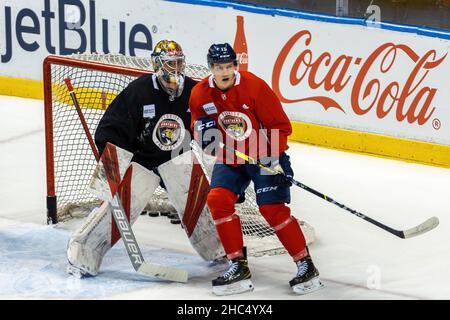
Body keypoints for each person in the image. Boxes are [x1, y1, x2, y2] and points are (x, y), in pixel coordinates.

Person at [189, 43, 323, 295]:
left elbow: (281, 126)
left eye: (229, 66)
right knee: (217, 200)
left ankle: (306, 265)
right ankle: (238, 265)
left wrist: (274, 158)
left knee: (272, 209)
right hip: (231, 158)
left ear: (235, 66)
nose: (225, 71)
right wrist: (205, 137)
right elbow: (197, 128)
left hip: (264, 153)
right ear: (211, 69)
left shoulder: (255, 86)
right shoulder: (199, 94)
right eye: (219, 67)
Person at [66, 39, 196, 277]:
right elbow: (111, 129)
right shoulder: (139, 92)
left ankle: (222, 250)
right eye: (170, 64)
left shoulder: (192, 91)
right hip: (143, 164)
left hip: (178, 161)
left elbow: (208, 127)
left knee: (201, 203)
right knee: (118, 209)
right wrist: (114, 165)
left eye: (178, 62)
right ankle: (83, 251)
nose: (175, 69)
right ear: (157, 64)